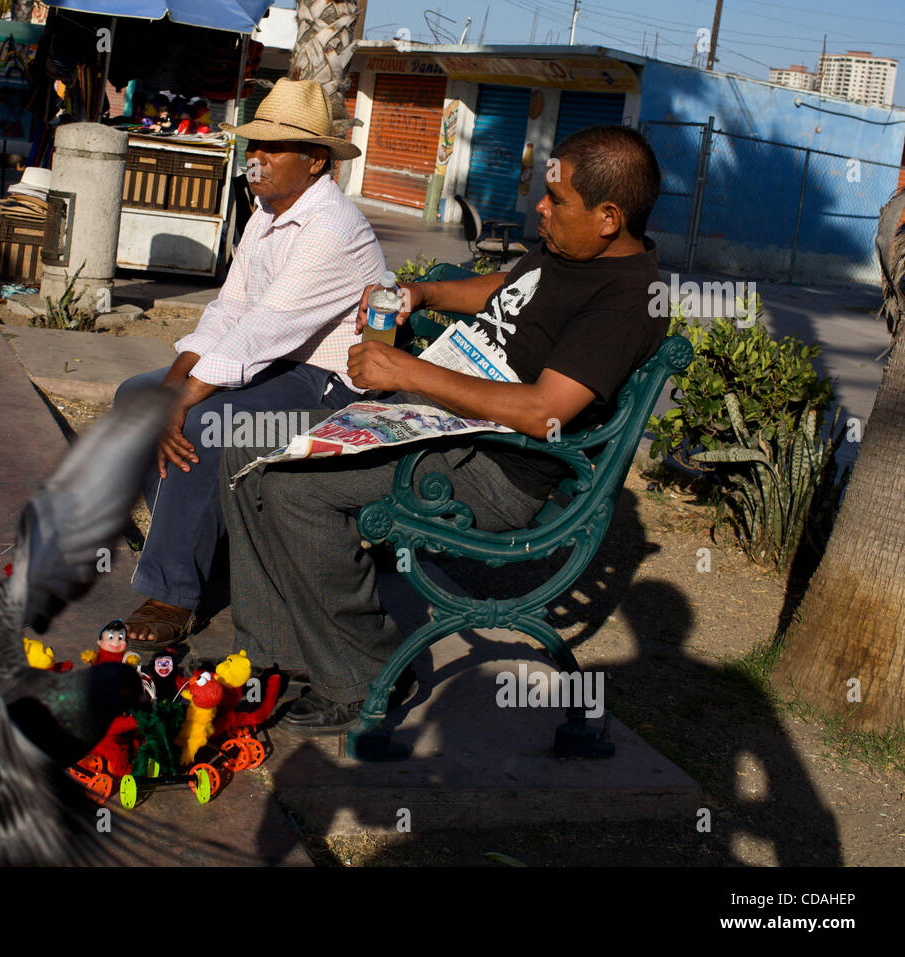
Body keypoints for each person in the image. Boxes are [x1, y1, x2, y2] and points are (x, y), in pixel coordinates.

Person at [219, 125, 669, 734]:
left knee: (294, 490)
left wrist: (408, 370)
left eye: (556, 200)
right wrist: (423, 291)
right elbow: (508, 289)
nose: (540, 206)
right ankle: (275, 658)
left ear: (608, 217)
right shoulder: (569, 250)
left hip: (494, 465)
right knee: (241, 443)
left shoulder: (628, 299)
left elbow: (546, 412)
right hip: (444, 426)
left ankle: (362, 673)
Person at [112, 78, 384, 647]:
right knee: (136, 399)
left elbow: (261, 333)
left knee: (202, 421)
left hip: (331, 389)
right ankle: (192, 550)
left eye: (272, 148)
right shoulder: (266, 212)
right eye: (253, 145)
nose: (255, 158)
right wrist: (171, 381)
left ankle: (173, 593)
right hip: (276, 365)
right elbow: (230, 309)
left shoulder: (330, 230)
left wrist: (183, 399)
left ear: (315, 161)